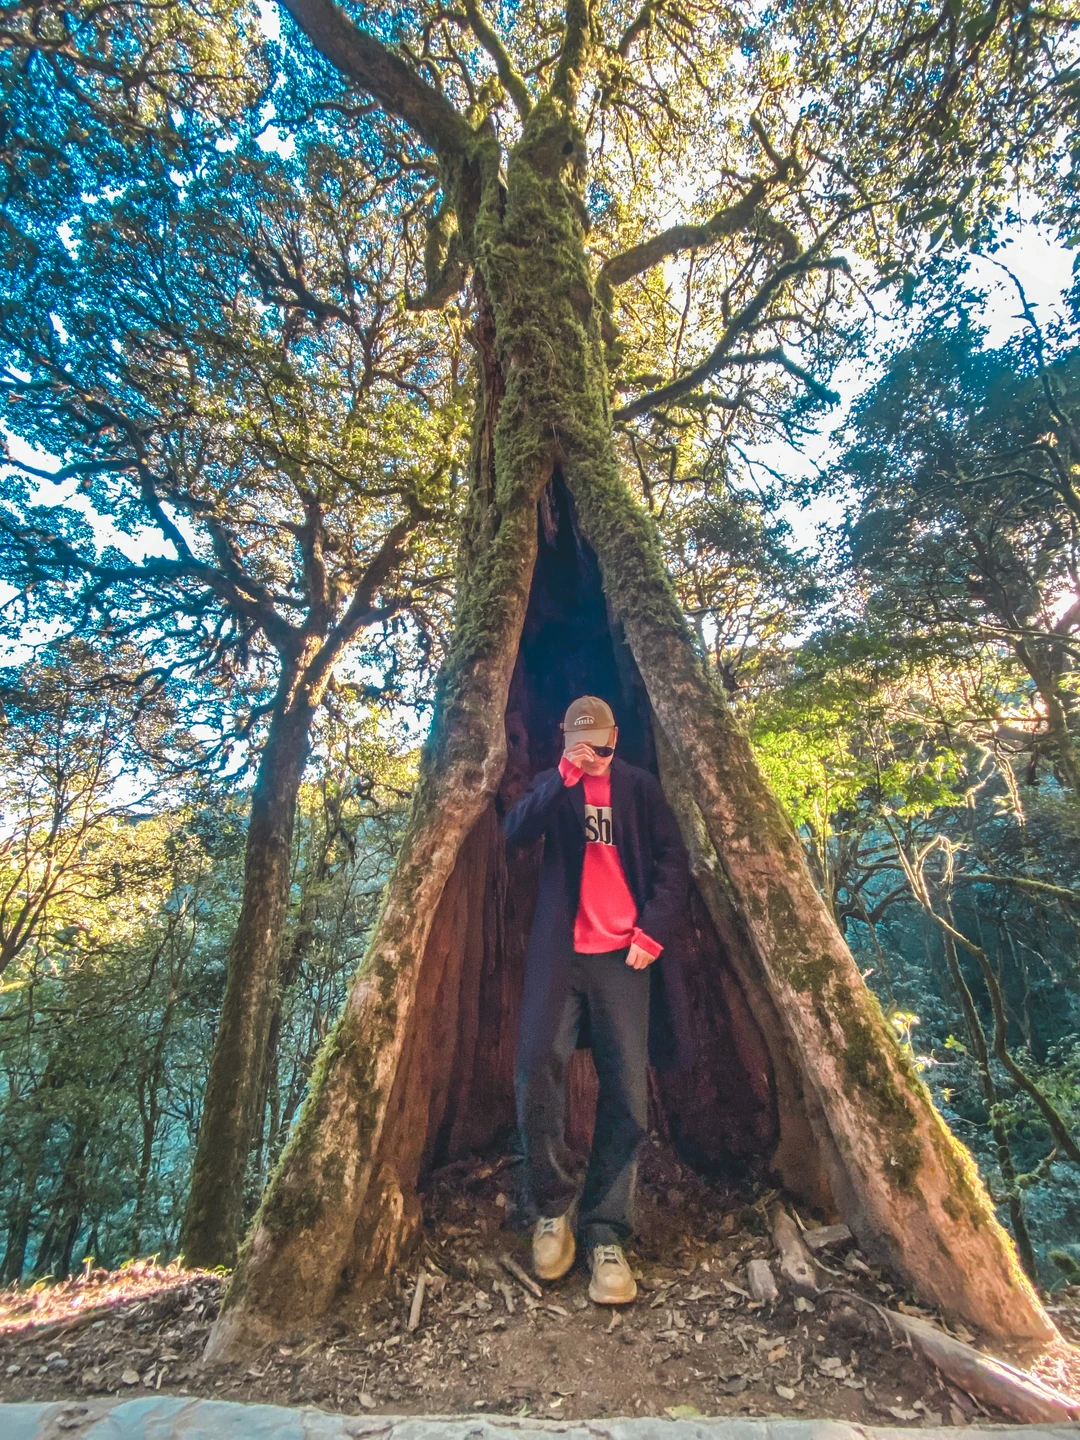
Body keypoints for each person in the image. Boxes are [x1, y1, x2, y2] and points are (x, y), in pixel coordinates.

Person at [504, 695, 690, 1304]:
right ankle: (553, 1209)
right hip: (563, 956)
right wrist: (562, 776)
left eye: (603, 746)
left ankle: (605, 1230)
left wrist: (653, 930)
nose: (596, 756)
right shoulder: (556, 785)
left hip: (623, 960)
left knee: (629, 1097)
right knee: (537, 1070)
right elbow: (516, 829)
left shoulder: (640, 790)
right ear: (566, 740)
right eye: (584, 746)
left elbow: (673, 861)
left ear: (617, 738)